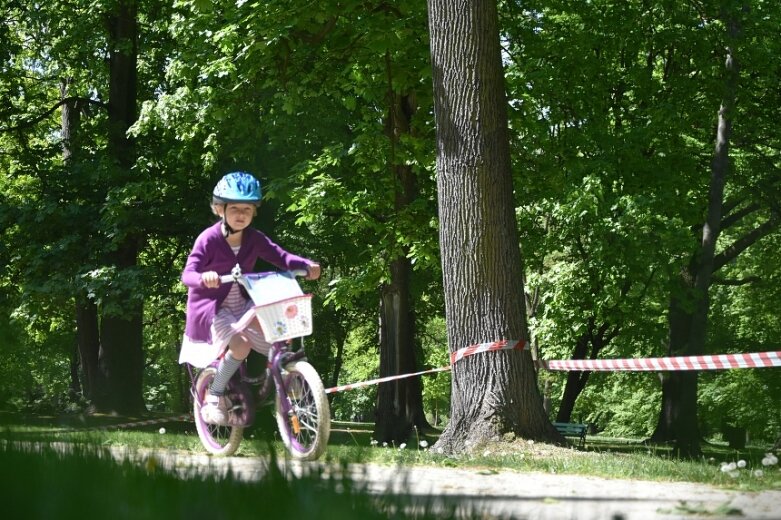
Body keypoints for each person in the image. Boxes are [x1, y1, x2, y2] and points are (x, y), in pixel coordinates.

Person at [179, 171, 321, 424]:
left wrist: (306, 264)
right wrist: (204, 278)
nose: (241, 214)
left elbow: (282, 257)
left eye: (247, 208)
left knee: (277, 332)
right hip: (212, 309)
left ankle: (289, 377)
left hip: (243, 304)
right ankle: (214, 395)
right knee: (241, 345)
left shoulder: (254, 238)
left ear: (254, 211)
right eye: (234, 208)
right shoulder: (208, 239)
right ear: (219, 209)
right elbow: (188, 274)